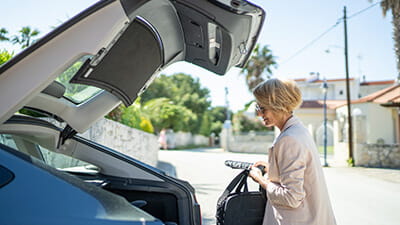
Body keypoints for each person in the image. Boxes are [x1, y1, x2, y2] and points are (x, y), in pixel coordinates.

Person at [248, 78, 336, 225]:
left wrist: (260, 179)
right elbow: (300, 174)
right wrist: (274, 168)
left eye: (262, 108)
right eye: (258, 108)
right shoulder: (298, 130)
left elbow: (291, 197)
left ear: (277, 105)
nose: (259, 114)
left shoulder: (289, 139)